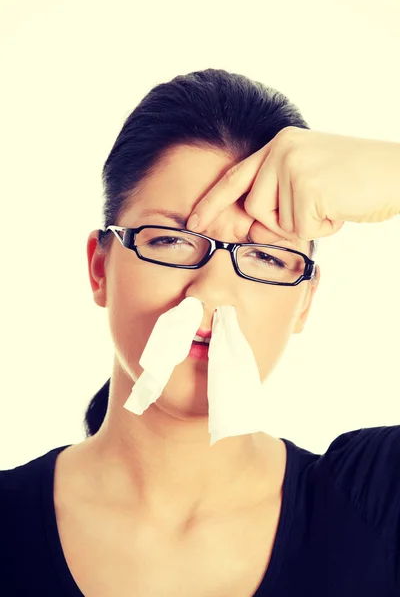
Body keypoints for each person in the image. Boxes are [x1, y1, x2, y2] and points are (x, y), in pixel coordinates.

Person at [1, 68, 399, 597]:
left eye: (263, 254)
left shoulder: (377, 500)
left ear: (304, 300)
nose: (209, 292)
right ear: (101, 268)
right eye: (170, 241)